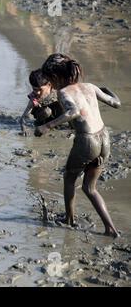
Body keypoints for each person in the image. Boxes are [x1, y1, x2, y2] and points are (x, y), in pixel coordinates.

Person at [36, 53, 121, 238]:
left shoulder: (64, 92)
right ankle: (110, 228)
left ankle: (69, 219)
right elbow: (116, 103)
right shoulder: (90, 87)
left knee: (69, 178)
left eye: (50, 80)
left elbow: (73, 111)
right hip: (104, 138)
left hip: (87, 141)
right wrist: (106, 90)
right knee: (90, 188)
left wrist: (46, 126)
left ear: (56, 77)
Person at [19, 69, 63, 136]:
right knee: (46, 111)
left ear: (49, 84)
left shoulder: (59, 93)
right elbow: (23, 118)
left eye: (40, 89)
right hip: (43, 119)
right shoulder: (34, 97)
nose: (37, 92)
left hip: (59, 118)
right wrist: (24, 129)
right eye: (34, 89)